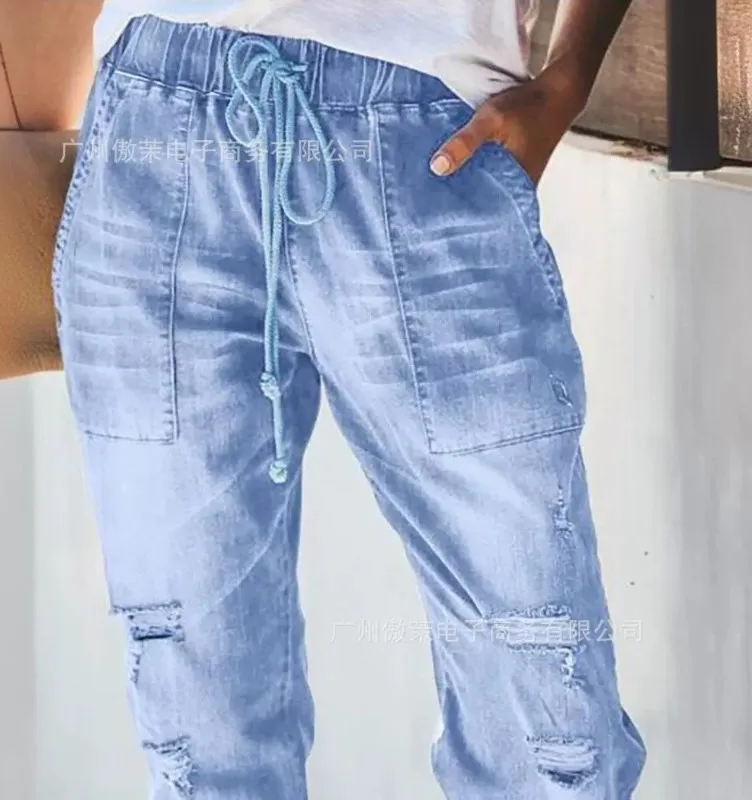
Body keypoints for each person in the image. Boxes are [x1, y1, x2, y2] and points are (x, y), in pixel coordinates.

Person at [51, 1, 646, 796]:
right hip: (156, 124)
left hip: (420, 126)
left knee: (544, 709)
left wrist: (568, 79)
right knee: (198, 728)